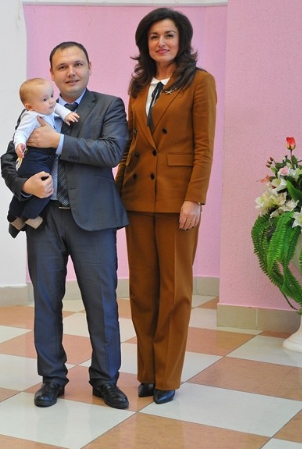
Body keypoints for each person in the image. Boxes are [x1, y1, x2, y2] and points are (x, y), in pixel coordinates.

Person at [0, 42, 130, 409]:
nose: (70, 72)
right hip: (44, 219)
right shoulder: (35, 106)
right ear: (52, 73)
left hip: (94, 220)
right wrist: (23, 185)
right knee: (45, 300)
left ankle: (105, 379)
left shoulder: (109, 105)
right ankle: (52, 378)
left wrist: (58, 142)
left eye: (77, 64)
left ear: (89, 67)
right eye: (62, 66)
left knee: (101, 302)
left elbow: (111, 151)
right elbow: (10, 158)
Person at [115, 8, 216, 405]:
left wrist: (195, 198)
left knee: (174, 291)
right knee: (142, 291)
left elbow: (204, 146)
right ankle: (147, 372)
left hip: (178, 201)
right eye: (154, 36)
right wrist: (116, 187)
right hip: (138, 197)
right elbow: (131, 142)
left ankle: (168, 376)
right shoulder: (139, 85)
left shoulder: (200, 82)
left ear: (182, 40)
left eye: (169, 35)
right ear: (146, 43)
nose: (161, 42)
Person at [8, 78, 78, 233]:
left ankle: (13, 215)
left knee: (32, 190)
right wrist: (20, 144)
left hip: (41, 159)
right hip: (35, 158)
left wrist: (67, 115)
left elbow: (58, 107)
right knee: (46, 190)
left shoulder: (48, 108)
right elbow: (20, 132)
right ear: (29, 107)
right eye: (45, 99)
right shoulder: (31, 116)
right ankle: (29, 216)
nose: (52, 101)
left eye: (52, 95)